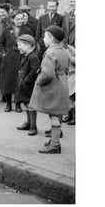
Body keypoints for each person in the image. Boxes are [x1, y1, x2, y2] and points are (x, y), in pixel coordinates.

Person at [30, 26, 71, 154]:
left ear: (51, 38)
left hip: (52, 86)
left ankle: (54, 144)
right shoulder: (64, 50)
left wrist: (38, 81)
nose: (43, 39)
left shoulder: (50, 52)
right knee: (57, 113)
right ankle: (54, 141)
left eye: (45, 36)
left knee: (53, 114)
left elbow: (47, 74)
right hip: (62, 83)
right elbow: (67, 66)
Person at [0, 11, 34, 112]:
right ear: (13, 20)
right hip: (9, 59)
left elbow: (32, 43)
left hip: (22, 58)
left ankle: (18, 104)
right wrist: (3, 53)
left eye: (21, 19)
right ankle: (8, 104)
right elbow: (1, 43)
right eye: (17, 19)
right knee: (8, 82)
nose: (20, 21)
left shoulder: (27, 30)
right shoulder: (7, 30)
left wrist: (28, 54)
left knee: (19, 81)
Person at [14, 34, 41, 135]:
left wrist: (26, 80)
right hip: (24, 84)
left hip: (29, 85)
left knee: (30, 105)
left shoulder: (33, 57)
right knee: (26, 103)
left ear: (28, 45)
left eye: (20, 45)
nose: (18, 47)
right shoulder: (26, 56)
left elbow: (34, 70)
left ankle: (33, 126)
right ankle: (29, 123)